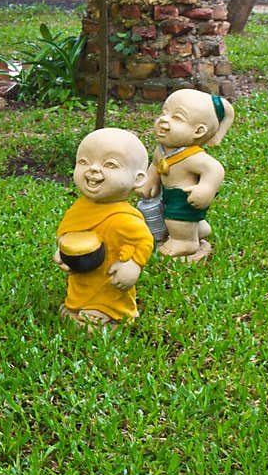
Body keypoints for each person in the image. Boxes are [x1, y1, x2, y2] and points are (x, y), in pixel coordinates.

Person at [56, 128, 155, 328]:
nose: (92, 169)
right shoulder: (80, 207)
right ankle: (78, 306)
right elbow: (68, 231)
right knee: (79, 291)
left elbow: (144, 241)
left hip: (111, 276)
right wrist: (63, 253)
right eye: (83, 161)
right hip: (83, 272)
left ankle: (107, 313)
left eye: (110, 164)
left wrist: (133, 265)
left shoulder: (125, 219)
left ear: (138, 179)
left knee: (107, 293)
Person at [135, 87, 235, 262]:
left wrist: (206, 188)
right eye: (164, 112)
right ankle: (198, 229)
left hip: (185, 197)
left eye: (177, 118)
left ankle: (185, 242)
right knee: (168, 216)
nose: (163, 120)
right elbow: (155, 165)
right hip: (168, 194)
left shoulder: (193, 157)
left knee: (176, 220)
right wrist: (151, 180)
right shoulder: (162, 149)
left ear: (198, 131)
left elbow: (215, 169)